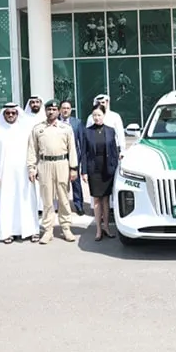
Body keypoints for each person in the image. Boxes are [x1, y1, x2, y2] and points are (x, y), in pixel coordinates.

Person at [0, 103, 40, 244]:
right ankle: (8, 233)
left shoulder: (26, 130)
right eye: (7, 113)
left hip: (25, 174)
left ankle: (31, 231)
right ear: (3, 114)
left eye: (13, 113)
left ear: (18, 114)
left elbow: (33, 151)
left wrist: (33, 168)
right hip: (5, 174)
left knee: (28, 200)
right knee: (7, 202)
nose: (10, 115)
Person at [27, 99, 79, 244]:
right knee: (47, 198)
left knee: (63, 197)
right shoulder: (38, 129)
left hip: (62, 163)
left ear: (58, 111)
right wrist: (31, 167)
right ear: (45, 111)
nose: (51, 112)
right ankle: (48, 229)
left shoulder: (65, 128)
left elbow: (72, 149)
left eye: (54, 110)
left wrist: (73, 168)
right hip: (45, 164)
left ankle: (66, 227)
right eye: (49, 109)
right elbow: (32, 150)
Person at [82, 103, 119, 241]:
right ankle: (98, 229)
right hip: (94, 170)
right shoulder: (87, 131)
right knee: (97, 199)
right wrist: (84, 171)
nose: (96, 118)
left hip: (107, 169)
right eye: (94, 115)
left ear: (104, 115)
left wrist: (116, 169)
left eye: (99, 115)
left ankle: (107, 227)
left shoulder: (110, 130)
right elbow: (84, 153)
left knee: (106, 200)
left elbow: (114, 152)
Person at [59, 100, 86, 215]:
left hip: (74, 156)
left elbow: (81, 141)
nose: (65, 110)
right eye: (63, 108)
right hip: (60, 157)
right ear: (60, 110)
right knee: (61, 182)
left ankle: (79, 205)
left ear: (71, 110)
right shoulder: (55, 122)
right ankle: (62, 206)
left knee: (75, 182)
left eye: (68, 108)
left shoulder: (77, 123)